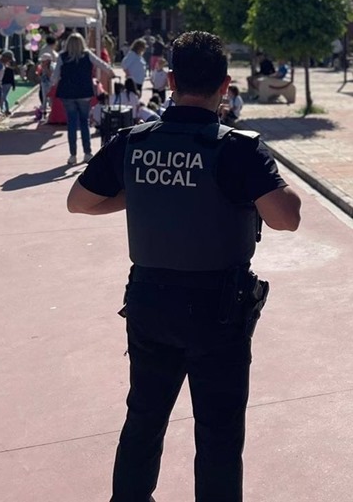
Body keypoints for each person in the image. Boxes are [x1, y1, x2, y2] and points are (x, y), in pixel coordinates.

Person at [66, 30, 302, 502]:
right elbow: (286, 219)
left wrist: (149, 190)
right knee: (218, 431)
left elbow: (79, 202)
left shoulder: (133, 142)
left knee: (145, 417)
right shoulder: (238, 149)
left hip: (151, 302)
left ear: (170, 80)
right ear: (225, 85)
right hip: (219, 309)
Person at [52, 32, 113, 165]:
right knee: (84, 122)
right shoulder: (87, 54)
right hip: (84, 92)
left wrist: (52, 82)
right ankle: (87, 153)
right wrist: (110, 72)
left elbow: (56, 75)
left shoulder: (62, 56)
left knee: (71, 123)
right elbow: (101, 63)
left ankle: (72, 155)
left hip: (67, 93)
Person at [0, 50, 17, 115]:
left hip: (7, 84)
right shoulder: (2, 67)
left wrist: (13, 85)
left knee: (3, 96)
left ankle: (2, 109)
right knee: (4, 97)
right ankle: (6, 109)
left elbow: (12, 77)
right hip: (4, 83)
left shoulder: (8, 69)